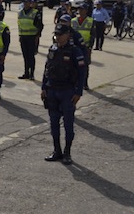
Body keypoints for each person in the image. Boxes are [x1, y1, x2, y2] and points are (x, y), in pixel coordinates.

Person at [41, 23, 87, 165]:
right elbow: (46, 69)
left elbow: (82, 72)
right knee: (54, 122)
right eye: (56, 34)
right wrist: (43, 87)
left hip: (67, 91)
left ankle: (67, 153)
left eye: (61, 34)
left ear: (68, 35)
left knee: (68, 124)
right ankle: (57, 151)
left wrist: (78, 92)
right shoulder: (53, 49)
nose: (58, 37)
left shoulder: (75, 51)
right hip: (52, 90)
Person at [18, 0, 43, 80]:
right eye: (24, 2)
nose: (25, 4)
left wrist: (37, 36)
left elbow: (40, 26)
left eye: (27, 2)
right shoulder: (20, 13)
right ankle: (26, 72)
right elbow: (19, 25)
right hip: (23, 37)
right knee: (25, 56)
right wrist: (20, 35)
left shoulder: (35, 12)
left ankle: (31, 73)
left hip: (32, 37)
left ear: (30, 3)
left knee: (31, 56)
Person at [71, 4, 95, 90]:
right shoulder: (73, 20)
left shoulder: (91, 21)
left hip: (85, 47)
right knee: (74, 65)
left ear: (86, 11)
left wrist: (90, 47)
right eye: (79, 9)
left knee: (85, 66)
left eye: (82, 9)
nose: (81, 11)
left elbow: (93, 35)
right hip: (75, 47)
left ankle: (85, 83)